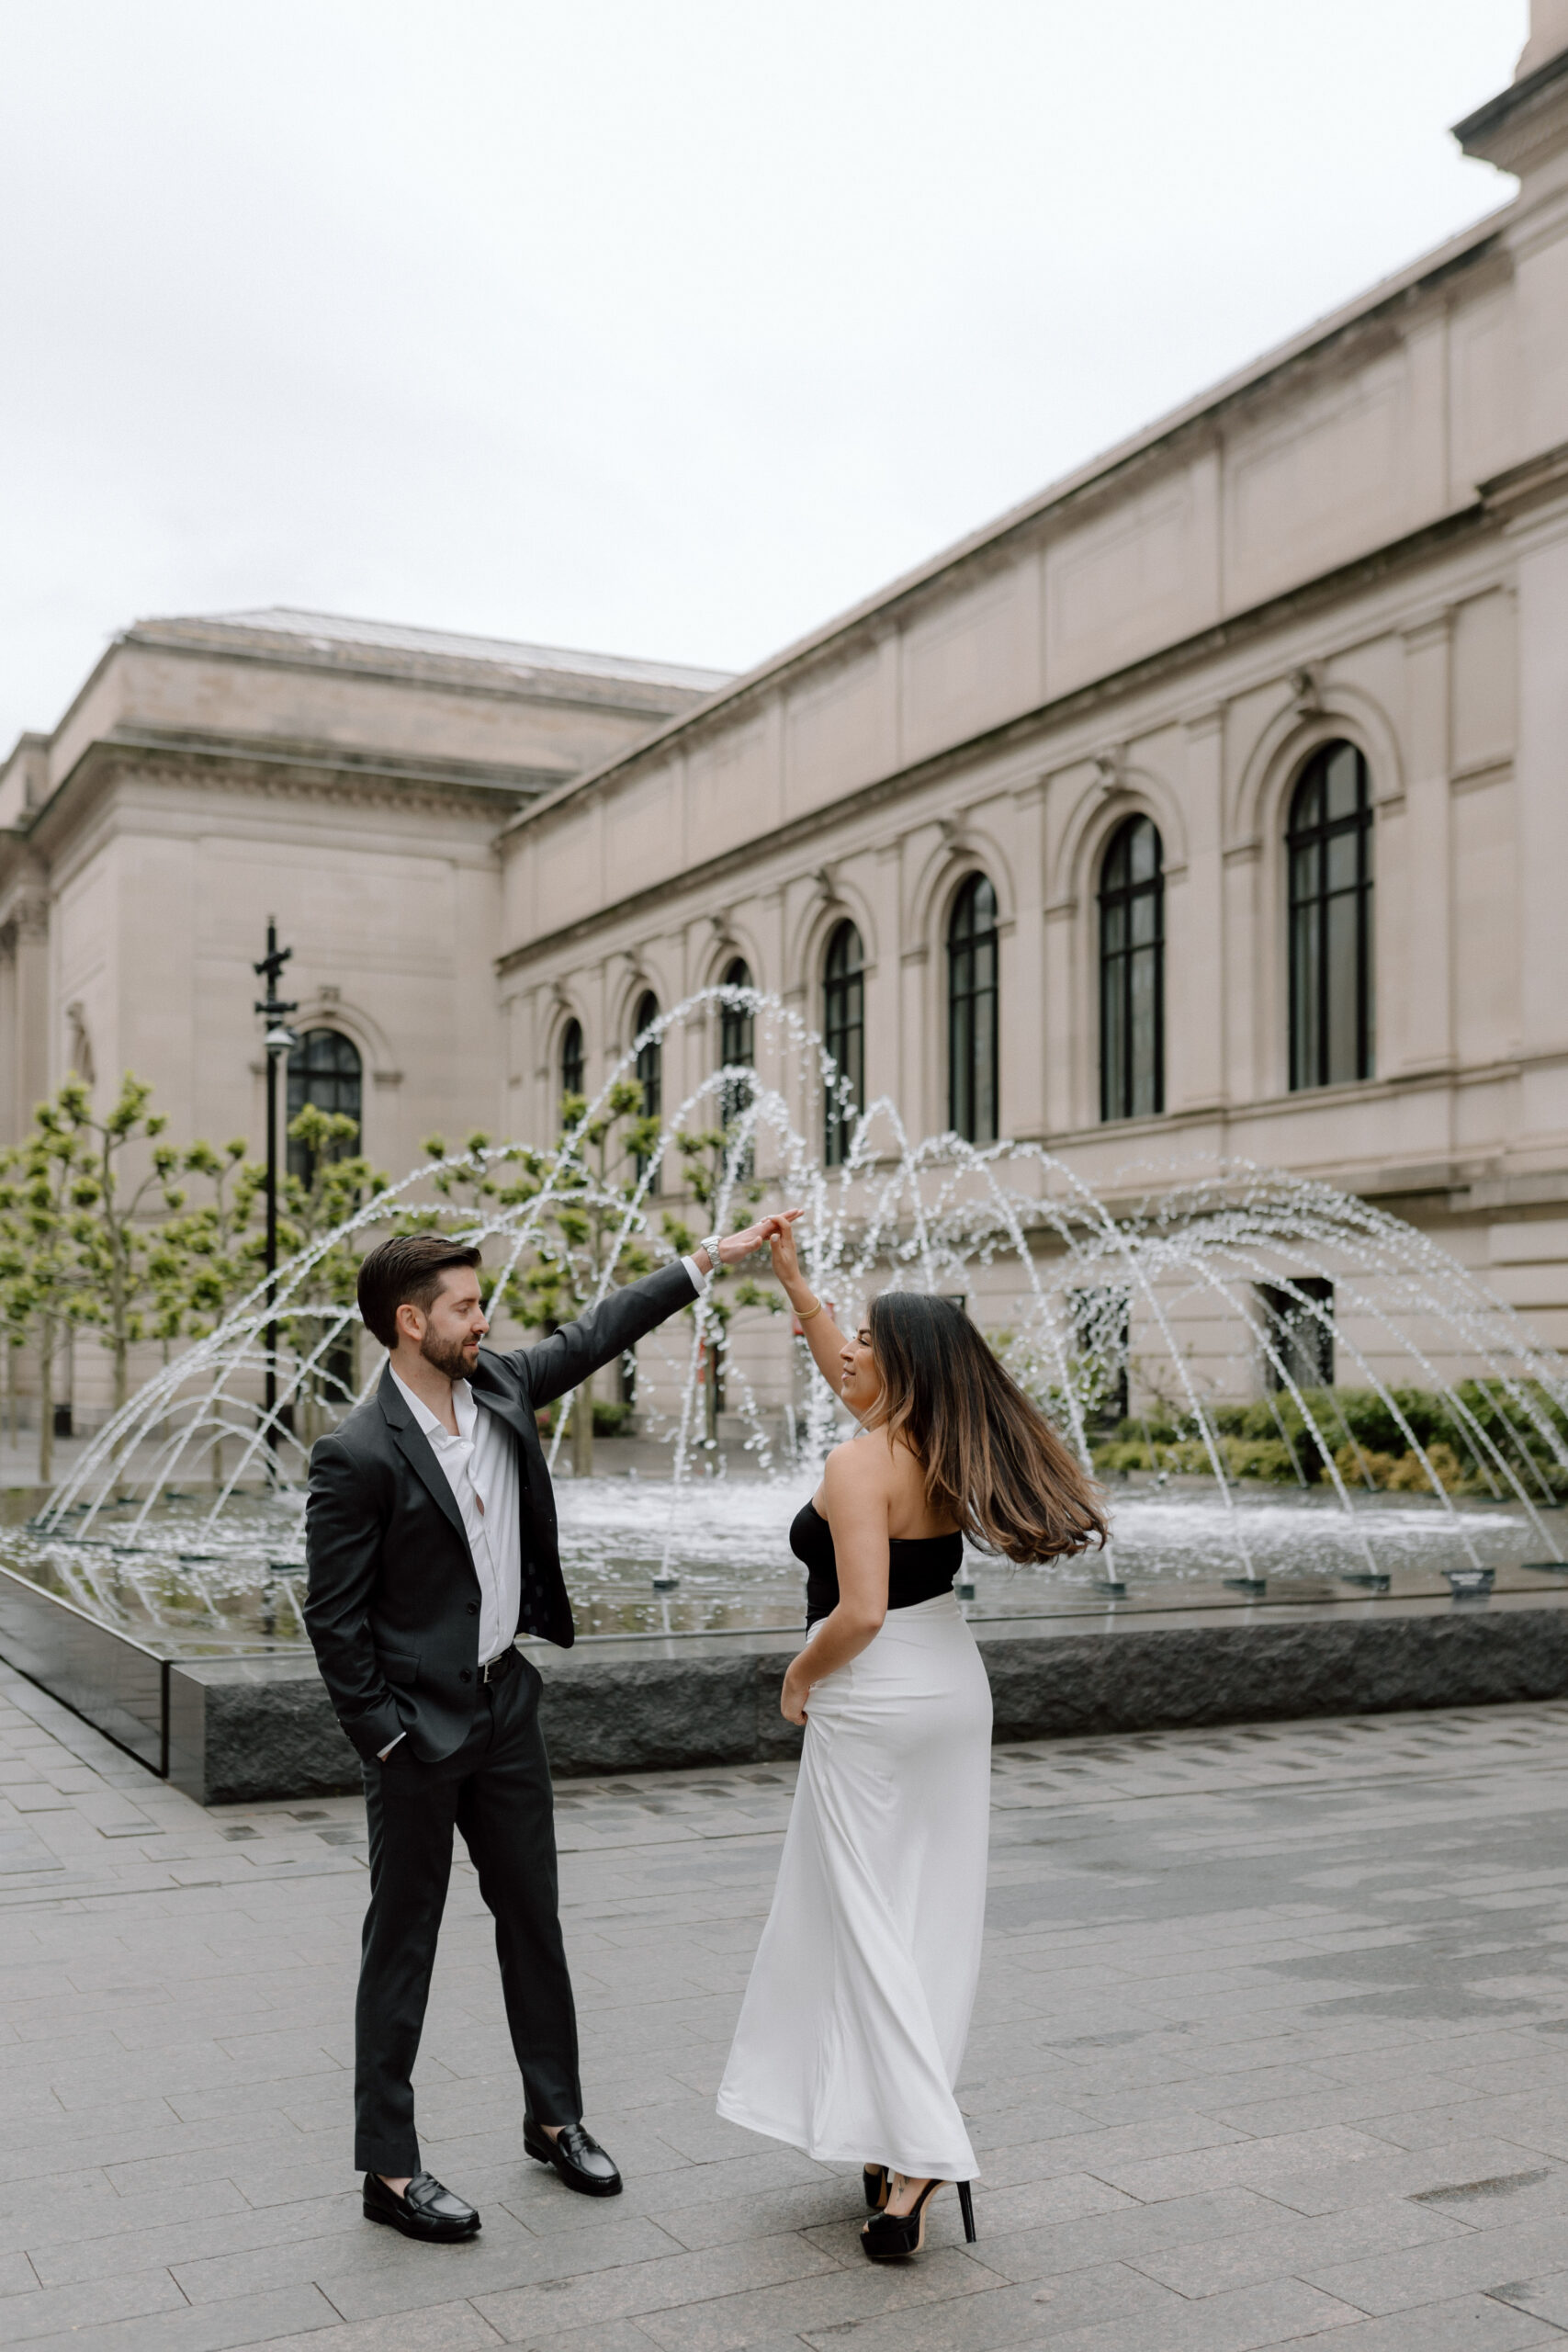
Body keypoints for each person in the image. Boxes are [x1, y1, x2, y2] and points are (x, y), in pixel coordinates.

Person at [305, 1218, 787, 2243]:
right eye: (466, 1306)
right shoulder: (355, 1453)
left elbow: (599, 1329)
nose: (485, 1318)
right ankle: (388, 2169)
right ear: (410, 1321)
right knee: (404, 1943)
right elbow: (334, 1619)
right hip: (415, 1735)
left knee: (537, 1921)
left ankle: (554, 2116)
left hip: (507, 1704)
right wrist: (385, 1738)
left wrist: (707, 1259)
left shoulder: (501, 1386)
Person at [717, 1218, 1107, 2259]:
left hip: (875, 1695)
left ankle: (923, 2154)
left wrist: (797, 1678)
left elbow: (860, 1612)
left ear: (900, 1365)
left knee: (861, 1920)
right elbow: (846, 1376)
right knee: (926, 1918)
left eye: (864, 1340)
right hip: (950, 1687)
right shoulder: (937, 1441)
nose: (845, 1348)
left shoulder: (858, 1463)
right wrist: (795, 1283)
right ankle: (899, 2132)